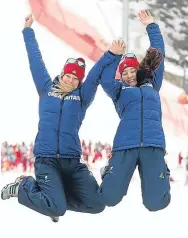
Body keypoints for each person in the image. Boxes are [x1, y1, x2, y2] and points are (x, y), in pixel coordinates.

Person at [1, 14, 124, 222]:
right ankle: (24, 186)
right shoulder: (46, 89)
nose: (71, 79)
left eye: (75, 78)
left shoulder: (82, 96)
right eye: (68, 75)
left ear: (79, 82)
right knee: (57, 209)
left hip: (72, 161)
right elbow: (35, 61)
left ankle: (50, 199)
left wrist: (112, 54)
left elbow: (94, 75)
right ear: (62, 73)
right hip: (46, 159)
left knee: (97, 204)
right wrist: (28, 31)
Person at [98, 10, 171, 212]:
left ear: (138, 71)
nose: (129, 75)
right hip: (125, 145)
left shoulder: (152, 83)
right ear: (120, 76)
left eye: (132, 70)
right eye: (125, 72)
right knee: (108, 197)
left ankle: (161, 173)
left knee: (156, 203)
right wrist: (114, 56)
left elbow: (159, 54)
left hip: (153, 144)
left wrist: (151, 26)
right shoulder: (118, 90)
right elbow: (103, 79)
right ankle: (109, 172)